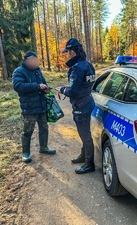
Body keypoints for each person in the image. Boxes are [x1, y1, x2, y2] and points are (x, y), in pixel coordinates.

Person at [57, 38, 96, 174]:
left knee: (85, 135)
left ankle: (89, 164)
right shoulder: (88, 65)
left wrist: (62, 90)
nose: (67, 54)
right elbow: (85, 84)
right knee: (84, 134)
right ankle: (84, 155)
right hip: (87, 102)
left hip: (81, 106)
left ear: (72, 51)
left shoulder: (78, 68)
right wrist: (70, 86)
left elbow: (73, 92)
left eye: (68, 52)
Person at [13, 51, 56, 163]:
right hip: (29, 108)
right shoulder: (19, 72)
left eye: (36, 60)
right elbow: (18, 86)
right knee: (28, 131)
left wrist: (46, 89)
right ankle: (26, 153)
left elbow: (43, 83)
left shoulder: (37, 71)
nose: (35, 62)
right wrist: (37, 86)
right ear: (26, 61)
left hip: (41, 106)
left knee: (44, 127)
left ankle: (44, 148)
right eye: (33, 60)